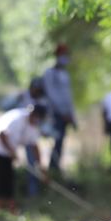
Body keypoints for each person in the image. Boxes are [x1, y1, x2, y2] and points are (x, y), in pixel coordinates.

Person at [0, 102, 47, 213]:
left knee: (9, 181)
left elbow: (34, 146)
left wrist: (40, 166)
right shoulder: (16, 117)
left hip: (6, 155)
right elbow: (2, 135)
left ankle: (11, 211)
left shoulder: (32, 127)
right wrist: (11, 151)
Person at [40, 44, 76, 174]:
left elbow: (68, 97)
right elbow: (51, 94)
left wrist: (72, 115)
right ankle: (52, 169)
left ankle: (55, 169)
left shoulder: (65, 74)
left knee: (60, 142)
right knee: (55, 140)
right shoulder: (50, 73)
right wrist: (62, 112)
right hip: (55, 113)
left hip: (65, 114)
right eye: (63, 54)